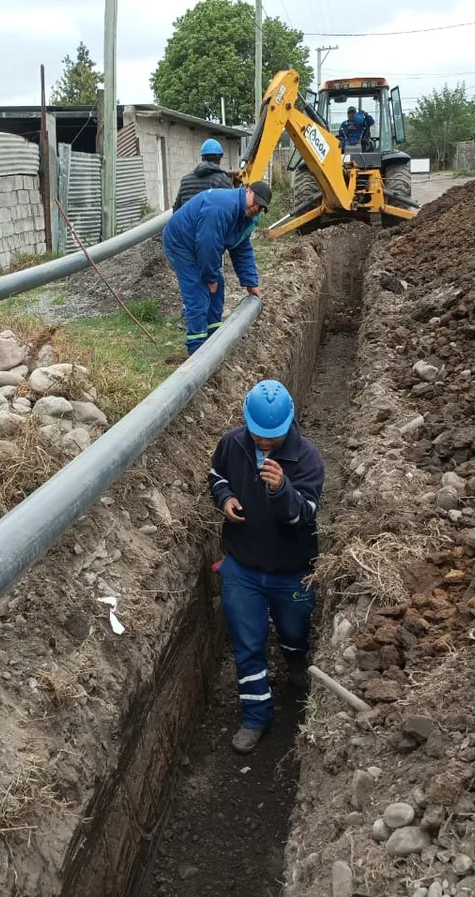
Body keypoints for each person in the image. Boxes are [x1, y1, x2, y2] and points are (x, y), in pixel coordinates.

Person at [208, 380, 325, 753]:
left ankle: (296, 661)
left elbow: (304, 517)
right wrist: (225, 498)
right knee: (247, 643)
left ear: (289, 424)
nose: (264, 443)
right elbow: (216, 476)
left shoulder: (307, 459)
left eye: (272, 437)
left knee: (293, 629)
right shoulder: (232, 443)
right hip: (242, 567)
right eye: (258, 435)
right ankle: (256, 717)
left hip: (290, 570)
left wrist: (281, 490)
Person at [161, 182, 270, 356]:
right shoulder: (221, 207)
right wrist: (210, 278)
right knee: (198, 292)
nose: (255, 208)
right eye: (254, 201)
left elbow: (241, 249)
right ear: (247, 190)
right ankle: (197, 352)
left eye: (260, 207)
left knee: (217, 291)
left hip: (200, 245)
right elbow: (208, 244)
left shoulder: (245, 217)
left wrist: (251, 282)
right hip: (180, 243)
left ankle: (213, 340)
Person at [172, 138, 232, 211]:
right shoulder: (222, 179)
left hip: (188, 222)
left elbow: (176, 209)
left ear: (202, 157)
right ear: (219, 158)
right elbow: (231, 208)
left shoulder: (185, 180)